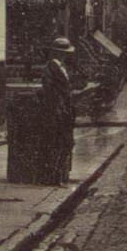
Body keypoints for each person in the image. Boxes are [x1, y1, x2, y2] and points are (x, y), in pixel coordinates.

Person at [40, 36, 77, 185]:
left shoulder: (62, 68)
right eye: (64, 53)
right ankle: (56, 178)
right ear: (57, 53)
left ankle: (61, 176)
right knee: (59, 144)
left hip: (65, 112)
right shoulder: (50, 69)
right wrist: (60, 108)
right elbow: (50, 92)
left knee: (67, 143)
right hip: (57, 113)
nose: (66, 55)